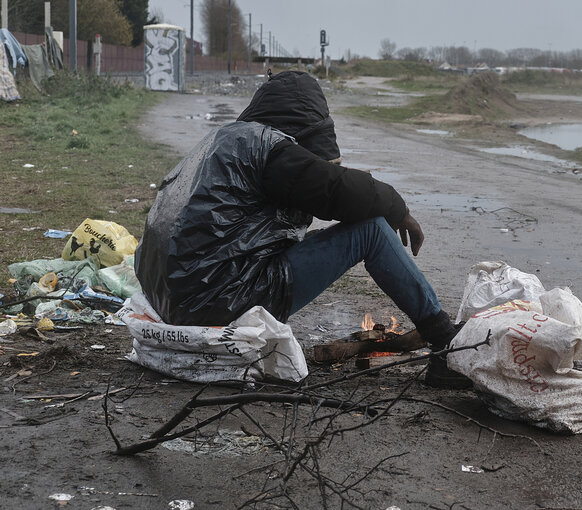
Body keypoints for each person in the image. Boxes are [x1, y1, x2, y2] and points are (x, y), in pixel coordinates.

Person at [134, 71, 468, 388]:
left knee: (336, 234)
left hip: (175, 298)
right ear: (302, 126)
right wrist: (398, 208)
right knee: (371, 229)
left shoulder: (226, 140)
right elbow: (337, 190)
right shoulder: (270, 150)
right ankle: (445, 346)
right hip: (219, 299)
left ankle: (442, 339)